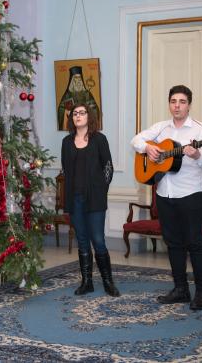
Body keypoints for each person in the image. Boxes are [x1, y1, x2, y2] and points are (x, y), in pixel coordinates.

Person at [130, 85, 202, 310]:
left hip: (190, 194)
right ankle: (180, 289)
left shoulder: (200, 130)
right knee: (173, 244)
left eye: (182, 101)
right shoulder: (161, 128)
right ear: (169, 103)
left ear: (189, 104)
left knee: (195, 244)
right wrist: (148, 148)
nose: (177, 106)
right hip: (164, 194)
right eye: (173, 101)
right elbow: (136, 140)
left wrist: (197, 154)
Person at [61, 104, 119, 297]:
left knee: (98, 240)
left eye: (82, 113)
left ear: (89, 116)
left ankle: (108, 282)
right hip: (75, 198)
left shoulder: (99, 139)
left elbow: (108, 167)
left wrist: (101, 189)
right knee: (83, 240)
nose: (78, 116)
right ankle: (87, 282)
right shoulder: (66, 142)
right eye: (75, 113)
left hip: (95, 198)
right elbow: (67, 171)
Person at [57, 66, 100, 131]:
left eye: (79, 79)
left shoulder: (87, 94)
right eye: (75, 79)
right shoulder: (68, 95)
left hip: (86, 124)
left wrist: (88, 112)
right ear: (72, 81)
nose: (78, 82)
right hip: (72, 123)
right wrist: (67, 111)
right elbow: (61, 110)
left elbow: (94, 109)